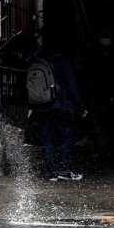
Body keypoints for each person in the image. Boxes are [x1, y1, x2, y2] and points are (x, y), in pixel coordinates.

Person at [27, 43, 87, 182]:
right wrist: (81, 106)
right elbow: (72, 83)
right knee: (67, 136)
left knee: (47, 138)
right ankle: (64, 170)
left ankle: (52, 172)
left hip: (41, 106)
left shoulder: (38, 58)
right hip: (60, 105)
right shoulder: (61, 60)